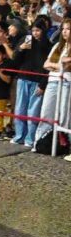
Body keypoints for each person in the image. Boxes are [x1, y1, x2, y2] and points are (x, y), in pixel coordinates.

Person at [11, 22, 51, 147]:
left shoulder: (48, 45)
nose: (35, 33)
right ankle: (19, 136)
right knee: (20, 109)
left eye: (38, 30)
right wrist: (20, 48)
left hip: (38, 81)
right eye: (33, 30)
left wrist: (43, 84)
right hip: (23, 78)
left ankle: (30, 139)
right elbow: (15, 59)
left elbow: (48, 68)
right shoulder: (27, 40)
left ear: (43, 31)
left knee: (33, 112)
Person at [34, 19, 71, 151]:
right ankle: (39, 142)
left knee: (64, 114)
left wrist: (57, 66)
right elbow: (46, 64)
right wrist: (60, 65)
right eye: (63, 29)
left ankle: (63, 144)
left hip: (67, 82)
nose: (65, 32)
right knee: (46, 112)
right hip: (52, 82)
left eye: (68, 29)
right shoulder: (57, 46)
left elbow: (67, 68)